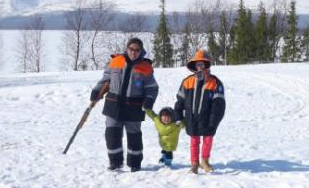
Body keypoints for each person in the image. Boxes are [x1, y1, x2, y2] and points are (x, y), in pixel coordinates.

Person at [90, 38, 158, 171]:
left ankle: (135, 163)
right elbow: (105, 79)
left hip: (134, 106)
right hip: (113, 104)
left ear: (141, 51)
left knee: (134, 137)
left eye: (137, 50)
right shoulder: (116, 61)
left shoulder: (146, 67)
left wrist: (149, 100)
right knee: (112, 135)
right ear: (127, 48)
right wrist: (96, 91)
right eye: (131, 49)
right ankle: (115, 162)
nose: (134, 52)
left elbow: (152, 87)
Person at [173, 49, 225, 174]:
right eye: (198, 64)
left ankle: (205, 161)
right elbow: (179, 101)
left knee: (208, 140)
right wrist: (178, 116)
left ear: (207, 64)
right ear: (194, 66)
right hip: (191, 118)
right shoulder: (187, 81)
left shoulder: (215, 82)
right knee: (194, 141)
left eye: (202, 64)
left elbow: (219, 105)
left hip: (208, 118)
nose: (200, 66)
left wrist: (214, 121)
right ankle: (194, 164)